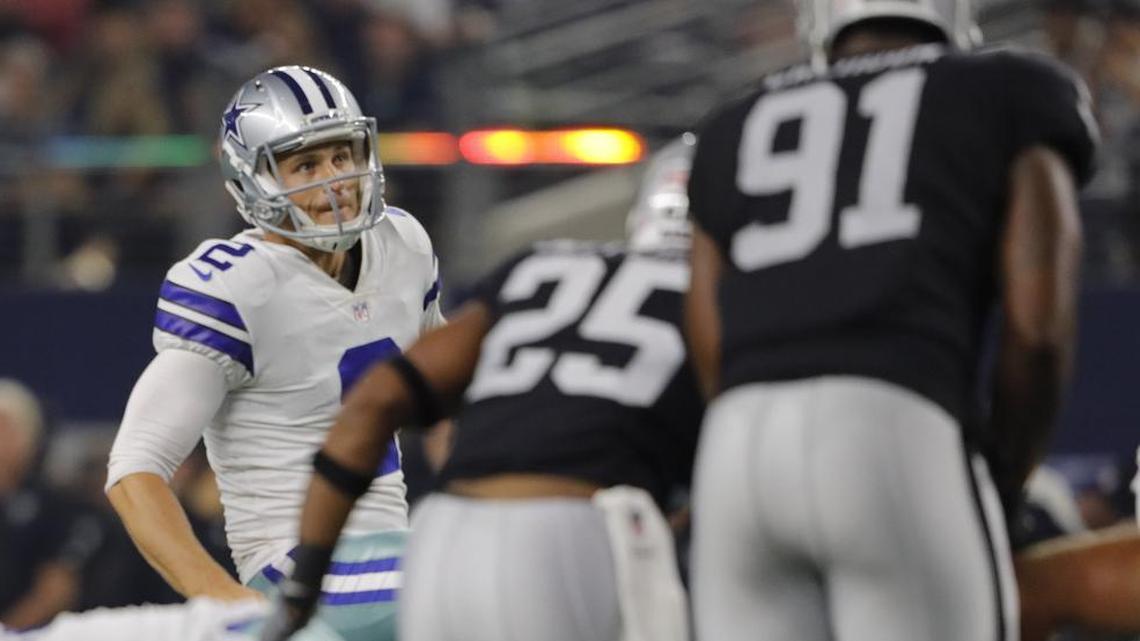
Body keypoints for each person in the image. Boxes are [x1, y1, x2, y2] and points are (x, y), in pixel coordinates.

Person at [682, 0, 1097, 638]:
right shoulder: (1011, 89)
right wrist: (1005, 474)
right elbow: (1038, 332)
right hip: (892, 426)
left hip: (738, 452)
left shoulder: (731, 123)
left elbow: (710, 335)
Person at [259, 137, 705, 641]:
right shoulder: (725, 307)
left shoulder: (541, 266)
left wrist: (304, 586)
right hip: (575, 539)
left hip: (441, 542)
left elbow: (375, 400)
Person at [104, 65, 445, 641]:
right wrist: (230, 605)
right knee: (478, 582)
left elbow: (446, 395)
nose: (334, 180)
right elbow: (133, 472)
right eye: (306, 165)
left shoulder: (402, 243)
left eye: (341, 156)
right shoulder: (235, 286)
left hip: (395, 550)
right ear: (252, 180)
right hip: (294, 567)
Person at [0, 379, 101, 629]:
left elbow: (56, 591)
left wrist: (7, 631)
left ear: (30, 437)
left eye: (4, 428)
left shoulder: (58, 508)